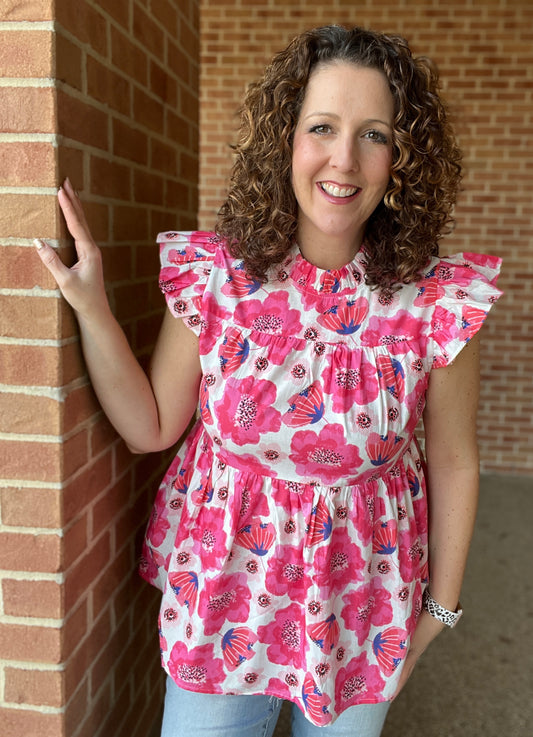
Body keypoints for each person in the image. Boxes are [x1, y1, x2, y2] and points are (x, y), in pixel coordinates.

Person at [35, 24, 502, 737]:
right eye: (321, 126)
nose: (343, 158)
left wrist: (436, 614)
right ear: (284, 136)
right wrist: (91, 308)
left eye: (374, 133)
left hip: (365, 608)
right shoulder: (218, 276)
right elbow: (151, 424)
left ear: (401, 154)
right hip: (223, 607)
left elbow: (454, 460)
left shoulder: (434, 301)